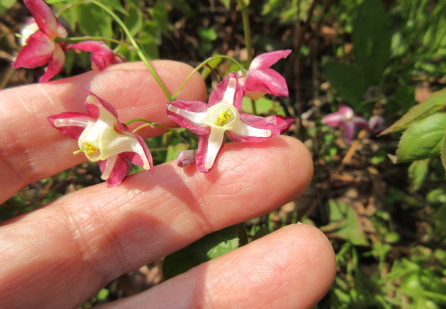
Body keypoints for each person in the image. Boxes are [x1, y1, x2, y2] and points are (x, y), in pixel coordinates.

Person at [0, 60, 335, 309]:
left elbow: (211, 125)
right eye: (222, 114)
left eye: (227, 114)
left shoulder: (223, 113)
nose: (223, 116)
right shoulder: (196, 121)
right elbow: (182, 118)